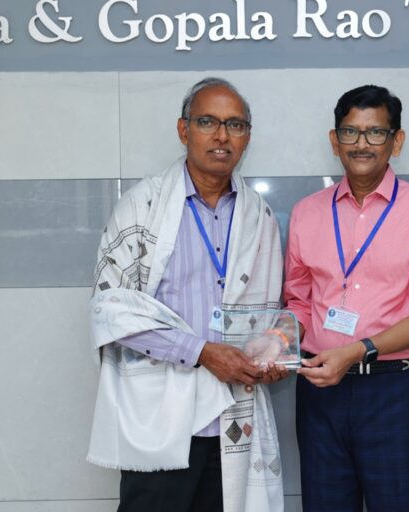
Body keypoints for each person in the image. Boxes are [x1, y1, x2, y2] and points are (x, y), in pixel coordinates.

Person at [87, 77, 287, 512]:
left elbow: (272, 312)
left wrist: (271, 355)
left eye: (235, 125)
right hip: (162, 420)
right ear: (184, 130)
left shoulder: (259, 216)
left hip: (232, 419)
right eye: (207, 122)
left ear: (247, 136)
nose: (222, 136)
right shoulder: (142, 207)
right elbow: (112, 310)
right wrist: (201, 352)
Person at [284, 84, 409, 512]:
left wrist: (357, 350)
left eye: (376, 132)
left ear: (396, 141)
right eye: (350, 132)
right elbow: (298, 301)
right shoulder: (307, 212)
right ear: (335, 141)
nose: (361, 144)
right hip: (320, 394)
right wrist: (279, 339)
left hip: (394, 392)